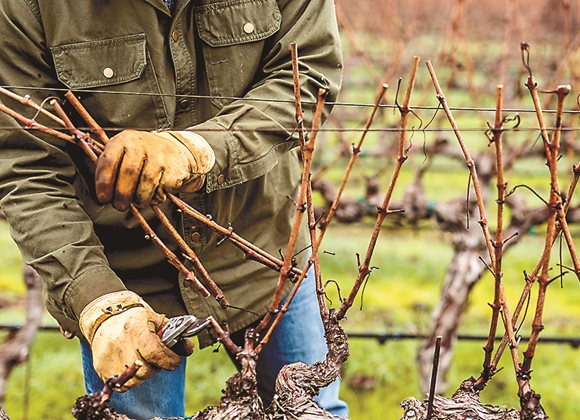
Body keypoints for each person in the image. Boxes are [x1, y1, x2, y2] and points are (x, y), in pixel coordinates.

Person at [0, 0, 347, 418]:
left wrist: (202, 150)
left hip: (267, 250)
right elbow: (26, 167)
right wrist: (97, 301)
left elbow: (309, 74)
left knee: (311, 410)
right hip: (127, 278)